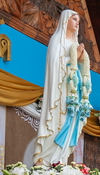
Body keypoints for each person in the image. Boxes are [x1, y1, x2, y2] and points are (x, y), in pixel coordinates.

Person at [34, 10, 91, 165]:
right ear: (65, 20)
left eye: (78, 20)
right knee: (58, 121)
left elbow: (80, 69)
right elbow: (54, 64)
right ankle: (46, 160)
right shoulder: (57, 40)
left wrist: (79, 58)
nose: (77, 22)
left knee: (72, 121)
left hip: (74, 91)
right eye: (74, 19)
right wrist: (73, 57)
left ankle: (61, 160)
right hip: (60, 91)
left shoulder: (73, 43)